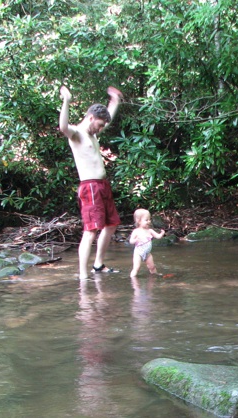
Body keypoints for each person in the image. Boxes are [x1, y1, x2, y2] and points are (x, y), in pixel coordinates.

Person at [59, 85, 124, 280]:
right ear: (90, 118)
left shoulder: (93, 134)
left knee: (111, 224)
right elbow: (63, 127)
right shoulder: (77, 134)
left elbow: (106, 119)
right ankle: (82, 274)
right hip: (90, 187)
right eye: (100, 124)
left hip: (103, 185)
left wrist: (115, 102)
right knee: (91, 230)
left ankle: (98, 264)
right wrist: (66, 101)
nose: (102, 128)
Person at [129, 208, 166, 277]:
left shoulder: (150, 231)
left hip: (147, 254)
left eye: (149, 219)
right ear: (139, 221)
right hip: (138, 254)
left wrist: (162, 233)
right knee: (136, 268)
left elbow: (158, 237)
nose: (149, 221)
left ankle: (155, 276)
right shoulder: (136, 231)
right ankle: (132, 279)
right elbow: (131, 241)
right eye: (146, 220)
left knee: (152, 267)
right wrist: (135, 240)